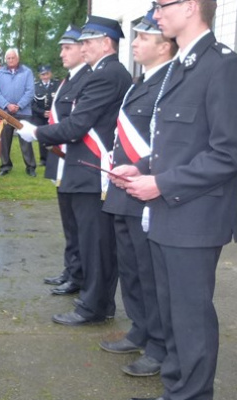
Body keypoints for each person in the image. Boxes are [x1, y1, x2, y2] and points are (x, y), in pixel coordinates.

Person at [116, 1, 237, 399]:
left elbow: (230, 152)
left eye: (163, 4)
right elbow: (175, 142)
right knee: (173, 313)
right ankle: (176, 386)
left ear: (192, 6)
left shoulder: (222, 66)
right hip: (167, 212)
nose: (156, 12)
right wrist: (140, 167)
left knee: (190, 317)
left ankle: (192, 394)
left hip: (197, 216)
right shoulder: (180, 65)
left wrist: (159, 183)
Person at [16, 15, 131, 326]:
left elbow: (79, 124)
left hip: (92, 172)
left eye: (87, 42)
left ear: (106, 44)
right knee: (91, 241)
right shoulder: (105, 72)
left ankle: (94, 306)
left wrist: (37, 134)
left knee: (96, 245)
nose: (82, 47)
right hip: (84, 171)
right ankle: (96, 302)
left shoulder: (107, 74)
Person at [99, 10, 177, 380]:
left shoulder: (171, 82)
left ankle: (160, 345)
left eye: (144, 38)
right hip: (123, 190)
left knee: (150, 273)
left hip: (147, 191)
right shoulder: (139, 82)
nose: (136, 44)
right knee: (130, 270)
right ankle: (140, 328)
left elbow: (168, 143)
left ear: (164, 46)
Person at [37, 25, 89, 299]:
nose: (62, 53)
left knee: (78, 223)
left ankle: (78, 275)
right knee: (68, 222)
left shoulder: (87, 79)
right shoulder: (67, 80)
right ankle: (71, 269)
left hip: (75, 157)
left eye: (67, 48)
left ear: (84, 49)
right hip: (62, 157)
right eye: (62, 48)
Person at [0, 48, 36, 177]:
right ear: (6, 60)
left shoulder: (27, 72)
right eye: (8, 58)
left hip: (23, 111)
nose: (11, 60)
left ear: (18, 58)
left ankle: (30, 166)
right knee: (5, 140)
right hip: (5, 112)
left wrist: (19, 105)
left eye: (13, 58)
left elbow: (30, 91)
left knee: (26, 139)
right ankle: (5, 166)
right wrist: (7, 105)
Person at [31, 65, 60, 166]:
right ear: (40, 76)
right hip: (40, 116)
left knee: (54, 136)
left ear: (50, 74)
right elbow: (32, 104)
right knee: (42, 137)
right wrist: (42, 112)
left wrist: (52, 112)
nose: (45, 76)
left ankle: (54, 157)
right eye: (43, 74)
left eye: (47, 74)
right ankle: (43, 159)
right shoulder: (35, 86)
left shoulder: (57, 85)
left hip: (53, 115)